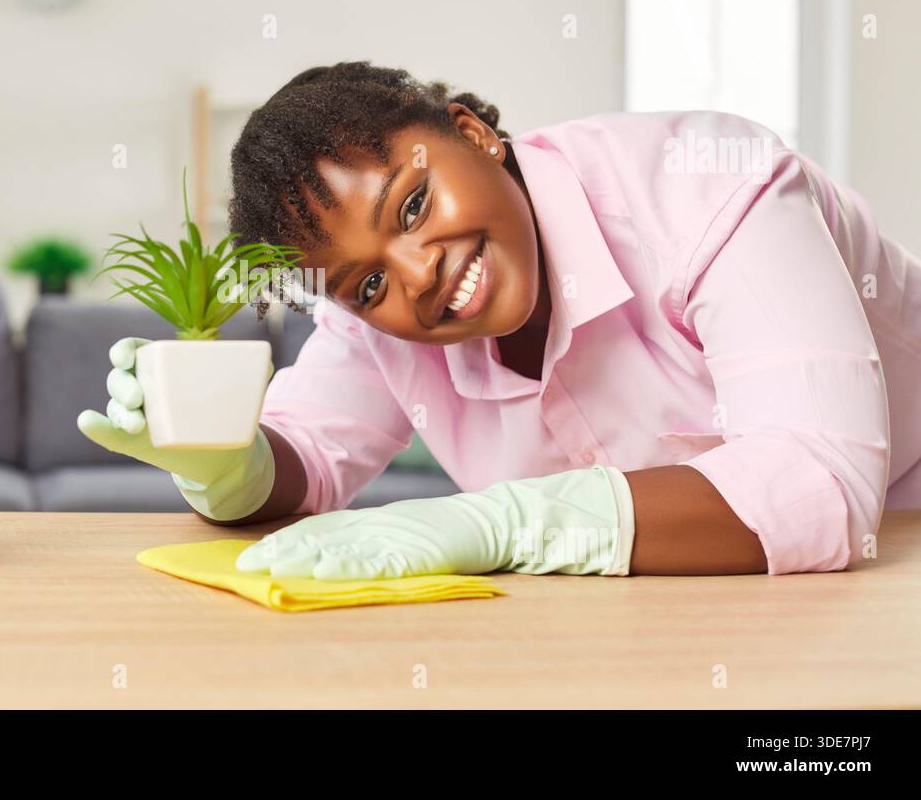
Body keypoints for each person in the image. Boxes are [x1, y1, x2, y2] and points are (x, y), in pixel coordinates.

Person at [78, 61, 920, 580]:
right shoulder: (379, 318)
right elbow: (309, 460)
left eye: (412, 205)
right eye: (365, 286)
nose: (419, 274)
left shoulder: (708, 187)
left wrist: (503, 522)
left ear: (472, 133)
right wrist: (231, 467)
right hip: (701, 593)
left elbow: (819, 482)